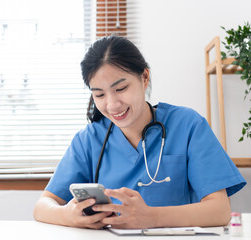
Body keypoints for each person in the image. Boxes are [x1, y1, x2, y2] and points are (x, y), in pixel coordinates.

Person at [33, 35, 246, 229]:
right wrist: (67, 215)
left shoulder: (188, 125)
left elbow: (219, 211)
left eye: (121, 89)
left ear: (144, 78)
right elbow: (43, 206)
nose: (112, 104)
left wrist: (152, 217)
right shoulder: (88, 140)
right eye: (99, 95)